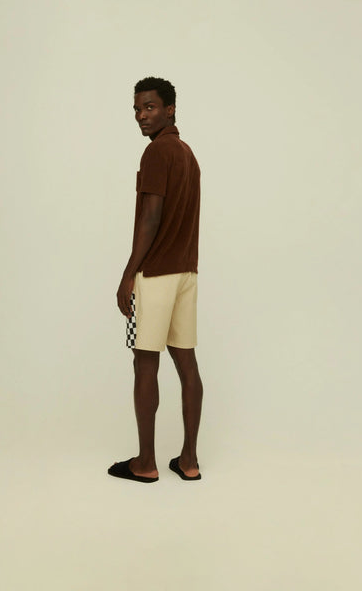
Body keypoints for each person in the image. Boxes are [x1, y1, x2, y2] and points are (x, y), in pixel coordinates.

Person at [108, 77, 203, 483]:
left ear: (170, 109)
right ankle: (189, 461)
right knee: (186, 362)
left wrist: (128, 273)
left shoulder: (156, 153)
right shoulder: (187, 154)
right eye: (136, 109)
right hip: (186, 273)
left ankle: (145, 463)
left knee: (145, 362)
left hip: (156, 275)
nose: (141, 116)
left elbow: (150, 217)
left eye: (149, 107)